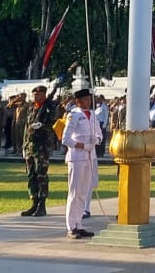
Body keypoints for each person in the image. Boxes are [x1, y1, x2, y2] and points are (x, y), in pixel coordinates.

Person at [63, 87, 103, 238]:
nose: (88, 101)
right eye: (85, 99)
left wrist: (96, 140)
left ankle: (79, 224)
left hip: (90, 156)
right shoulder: (73, 115)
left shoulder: (93, 114)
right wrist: (83, 145)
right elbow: (66, 139)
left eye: (89, 99)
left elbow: (99, 133)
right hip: (77, 156)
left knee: (84, 192)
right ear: (78, 101)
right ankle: (71, 226)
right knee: (75, 192)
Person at [20, 85, 61, 218]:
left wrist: (43, 126)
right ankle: (34, 203)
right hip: (30, 147)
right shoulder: (32, 108)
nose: (35, 97)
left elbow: (53, 124)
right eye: (34, 95)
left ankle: (42, 205)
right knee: (31, 175)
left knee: (41, 175)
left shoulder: (49, 107)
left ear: (44, 95)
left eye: (38, 94)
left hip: (42, 147)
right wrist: (24, 146)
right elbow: (27, 127)